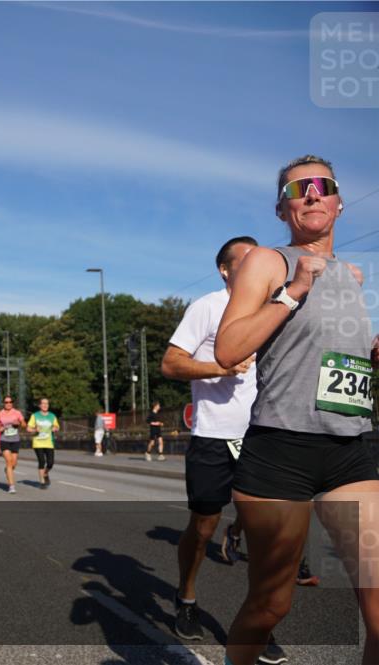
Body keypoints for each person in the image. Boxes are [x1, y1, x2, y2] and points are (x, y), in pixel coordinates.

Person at [216, 155, 378, 665]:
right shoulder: (269, 262)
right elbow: (228, 349)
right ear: (282, 208)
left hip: (351, 449)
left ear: (338, 202)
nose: (311, 194)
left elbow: (329, 358)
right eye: (297, 189)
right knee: (271, 605)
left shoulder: (353, 276)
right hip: (281, 452)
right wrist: (294, 292)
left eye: (322, 185)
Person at [160, 236, 290, 663]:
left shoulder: (275, 310)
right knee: (203, 528)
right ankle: (186, 597)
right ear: (225, 269)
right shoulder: (208, 307)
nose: (260, 265)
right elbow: (171, 363)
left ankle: (258, 624)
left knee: (266, 535)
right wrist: (220, 366)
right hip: (214, 436)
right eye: (249, 259)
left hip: (264, 435)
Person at [27, 398, 60, 489]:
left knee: (50, 463)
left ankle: (45, 473)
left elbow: (57, 426)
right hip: (38, 442)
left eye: (47, 404)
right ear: (40, 405)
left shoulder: (52, 416)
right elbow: (28, 428)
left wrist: (55, 428)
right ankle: (42, 482)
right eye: (43, 403)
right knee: (41, 461)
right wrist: (35, 430)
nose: (45, 405)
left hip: (49, 442)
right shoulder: (35, 415)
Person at [0, 396, 25, 494]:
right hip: (4, 440)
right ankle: (11, 486)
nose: (8, 403)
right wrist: (1, 429)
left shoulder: (17, 413)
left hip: (15, 440)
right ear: (3, 403)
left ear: (12, 403)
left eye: (10, 402)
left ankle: (7, 470)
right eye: (6, 402)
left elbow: (24, 425)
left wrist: (19, 423)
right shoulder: (0, 413)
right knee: (9, 461)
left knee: (13, 463)